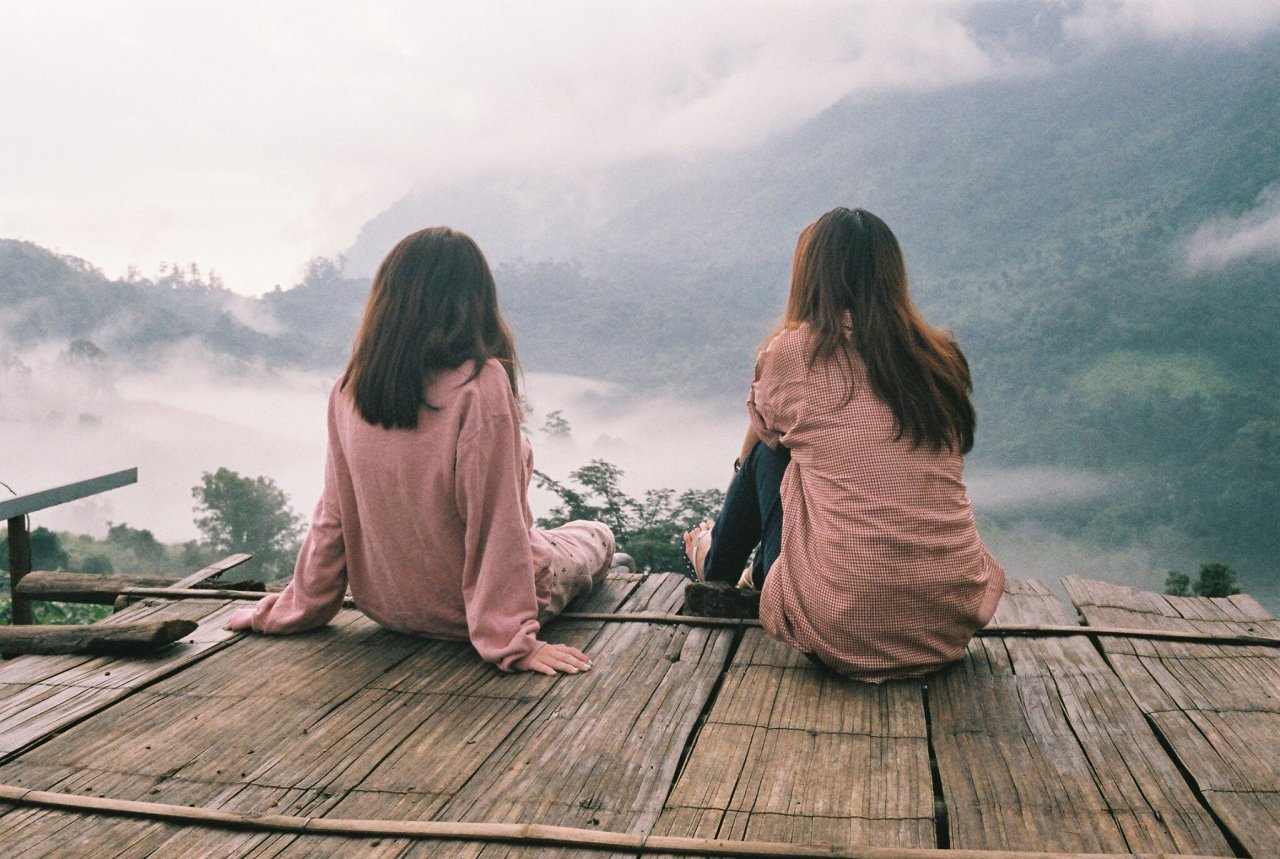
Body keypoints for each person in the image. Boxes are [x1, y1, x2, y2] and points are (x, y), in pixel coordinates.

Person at [226, 227, 622, 675]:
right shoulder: (480, 384)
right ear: (474, 300)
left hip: (389, 607)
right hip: (465, 616)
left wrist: (296, 608)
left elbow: (332, 515)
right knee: (595, 535)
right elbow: (496, 523)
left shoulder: (348, 389)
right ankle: (593, 552)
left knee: (537, 532)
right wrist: (513, 642)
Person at [683, 207, 1004, 682]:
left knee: (769, 454)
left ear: (810, 275)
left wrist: (742, 463)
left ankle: (714, 561)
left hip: (840, 626)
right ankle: (744, 570)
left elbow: (764, 435)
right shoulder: (939, 357)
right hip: (948, 620)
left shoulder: (794, 353)